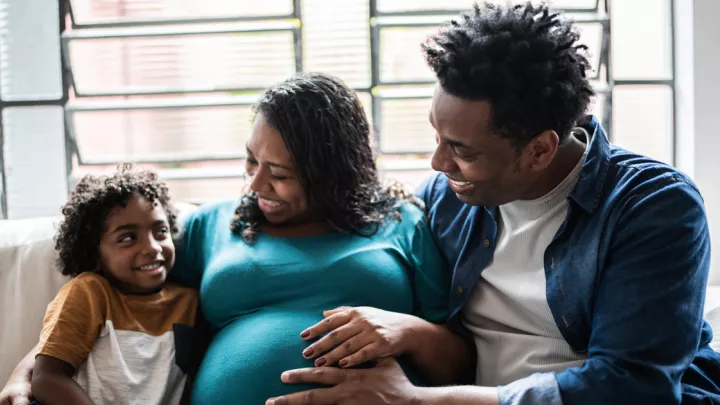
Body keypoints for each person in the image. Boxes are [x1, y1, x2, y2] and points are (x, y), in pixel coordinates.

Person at [263, 3, 720, 405]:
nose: (438, 162)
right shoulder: (445, 197)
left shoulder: (653, 206)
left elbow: (630, 388)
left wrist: (417, 401)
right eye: (436, 136)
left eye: (463, 150)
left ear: (540, 150)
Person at [0, 72, 461, 405]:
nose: (256, 184)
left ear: (332, 176)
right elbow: (109, 295)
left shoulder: (402, 223)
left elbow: (459, 362)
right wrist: (28, 372)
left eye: (278, 174)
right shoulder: (213, 225)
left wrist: (410, 332)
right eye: (250, 162)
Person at [30, 166, 198, 405]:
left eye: (160, 231)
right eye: (127, 238)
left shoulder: (188, 302)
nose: (153, 247)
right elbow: (47, 378)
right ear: (95, 253)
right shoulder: (89, 292)